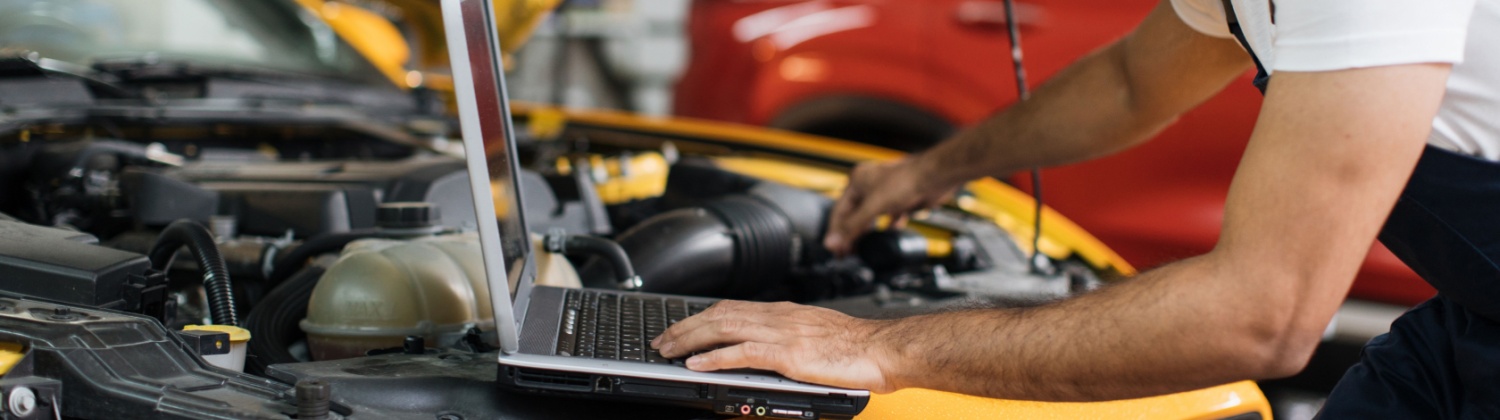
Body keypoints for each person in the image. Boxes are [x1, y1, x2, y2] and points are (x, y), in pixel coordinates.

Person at [652, 0, 1500, 416]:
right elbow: (1131, 82)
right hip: (1472, 318)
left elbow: (1261, 317)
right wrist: (934, 168)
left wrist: (877, 348)